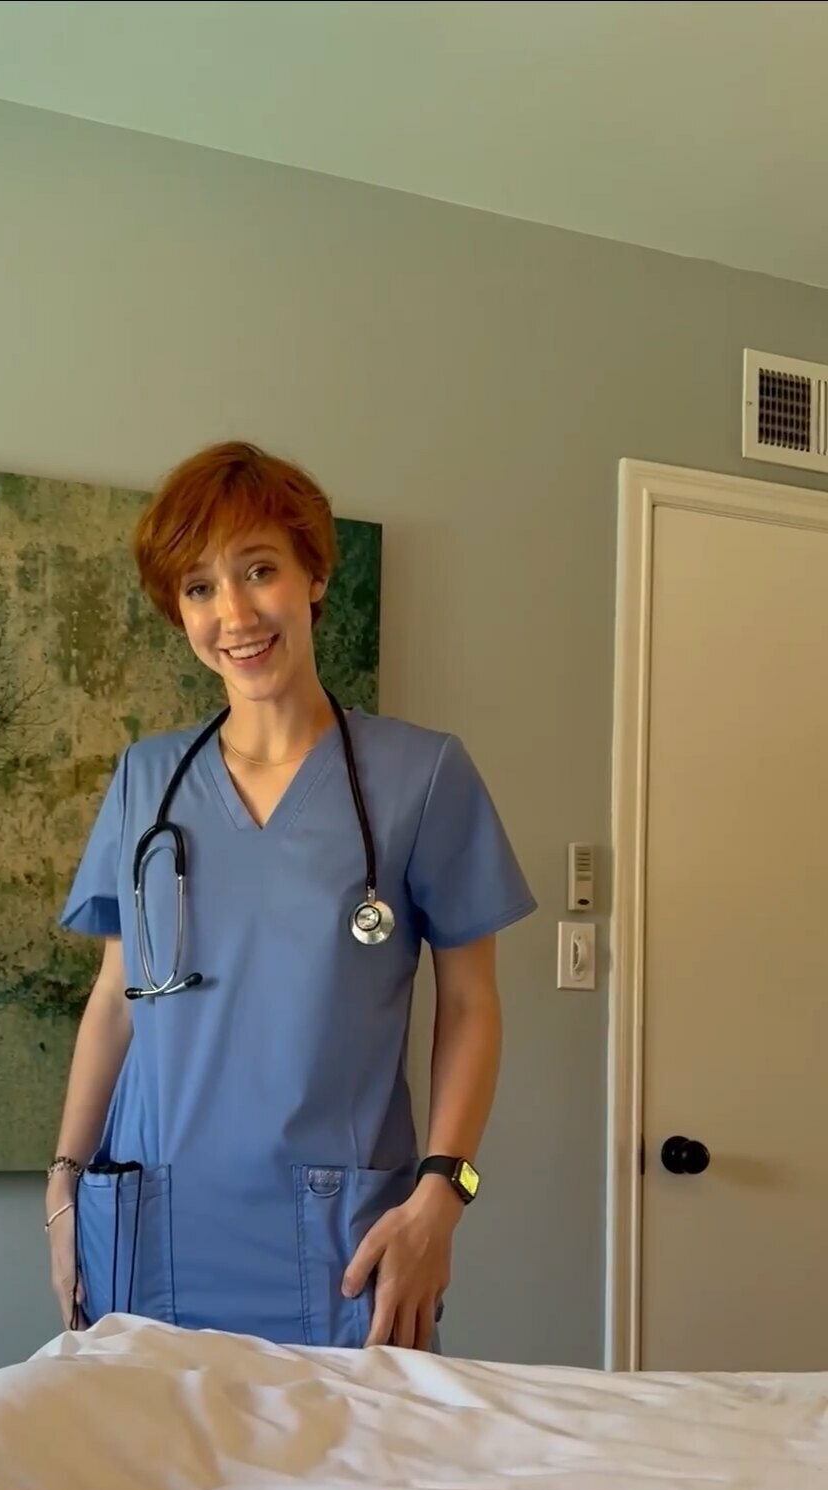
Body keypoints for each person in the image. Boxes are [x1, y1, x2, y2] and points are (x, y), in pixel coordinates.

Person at [45, 441, 536, 1352]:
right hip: (150, 1227)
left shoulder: (423, 775)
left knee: (354, 1449)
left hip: (344, 1240)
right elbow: (115, 999)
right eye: (199, 587)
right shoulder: (146, 778)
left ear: (314, 575)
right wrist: (64, 1181)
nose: (233, 614)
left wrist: (444, 1193)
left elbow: (471, 1003)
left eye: (259, 570)